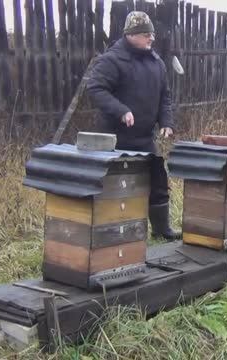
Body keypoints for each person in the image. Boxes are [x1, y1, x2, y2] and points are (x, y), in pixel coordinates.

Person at [87, 11, 181, 240]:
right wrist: (121, 110)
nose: (151, 38)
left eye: (152, 34)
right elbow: (96, 89)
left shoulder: (156, 62)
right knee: (116, 189)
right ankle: (109, 234)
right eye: (146, 34)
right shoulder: (112, 60)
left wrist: (166, 122)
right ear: (131, 35)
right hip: (114, 139)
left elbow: (164, 97)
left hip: (144, 138)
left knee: (158, 180)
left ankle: (161, 230)